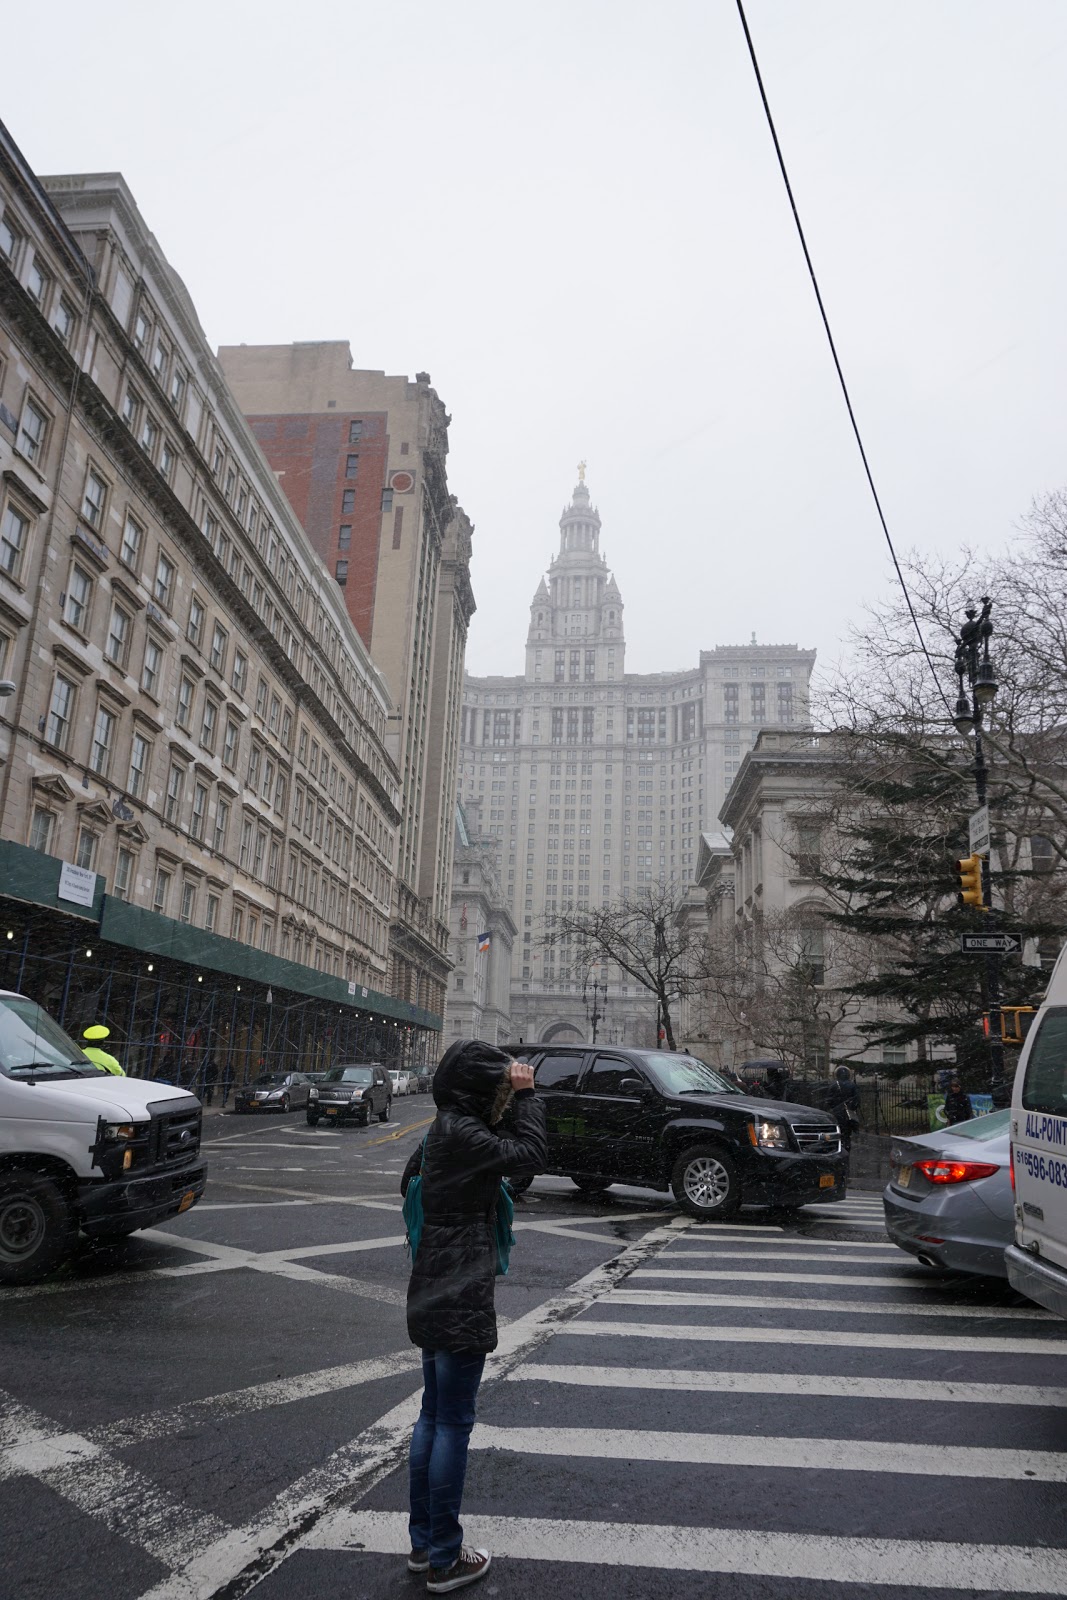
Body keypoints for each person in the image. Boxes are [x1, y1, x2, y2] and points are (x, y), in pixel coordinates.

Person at [401, 1039, 546, 1593]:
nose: (502, 1098)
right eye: (496, 1089)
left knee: (432, 1417)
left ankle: (423, 1545)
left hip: (433, 1283)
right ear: (477, 1089)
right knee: (452, 1424)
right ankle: (443, 1558)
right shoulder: (464, 1132)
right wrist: (528, 1096)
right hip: (460, 1289)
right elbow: (531, 1155)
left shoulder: (446, 1128)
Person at [826, 1065, 860, 1149]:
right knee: (847, 1134)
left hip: (836, 1113)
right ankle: (846, 1149)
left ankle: (837, 1148)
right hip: (848, 1114)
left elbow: (829, 1100)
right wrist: (851, 1108)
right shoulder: (853, 1085)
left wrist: (834, 1107)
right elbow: (857, 1101)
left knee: (837, 1132)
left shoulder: (833, 1085)